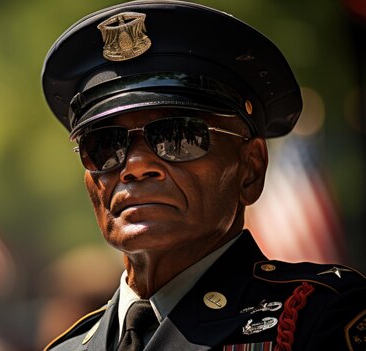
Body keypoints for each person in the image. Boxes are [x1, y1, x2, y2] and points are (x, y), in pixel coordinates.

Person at [40, 1, 366, 350]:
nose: (134, 165)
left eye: (177, 136)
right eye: (104, 144)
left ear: (251, 169)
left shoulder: (318, 319)